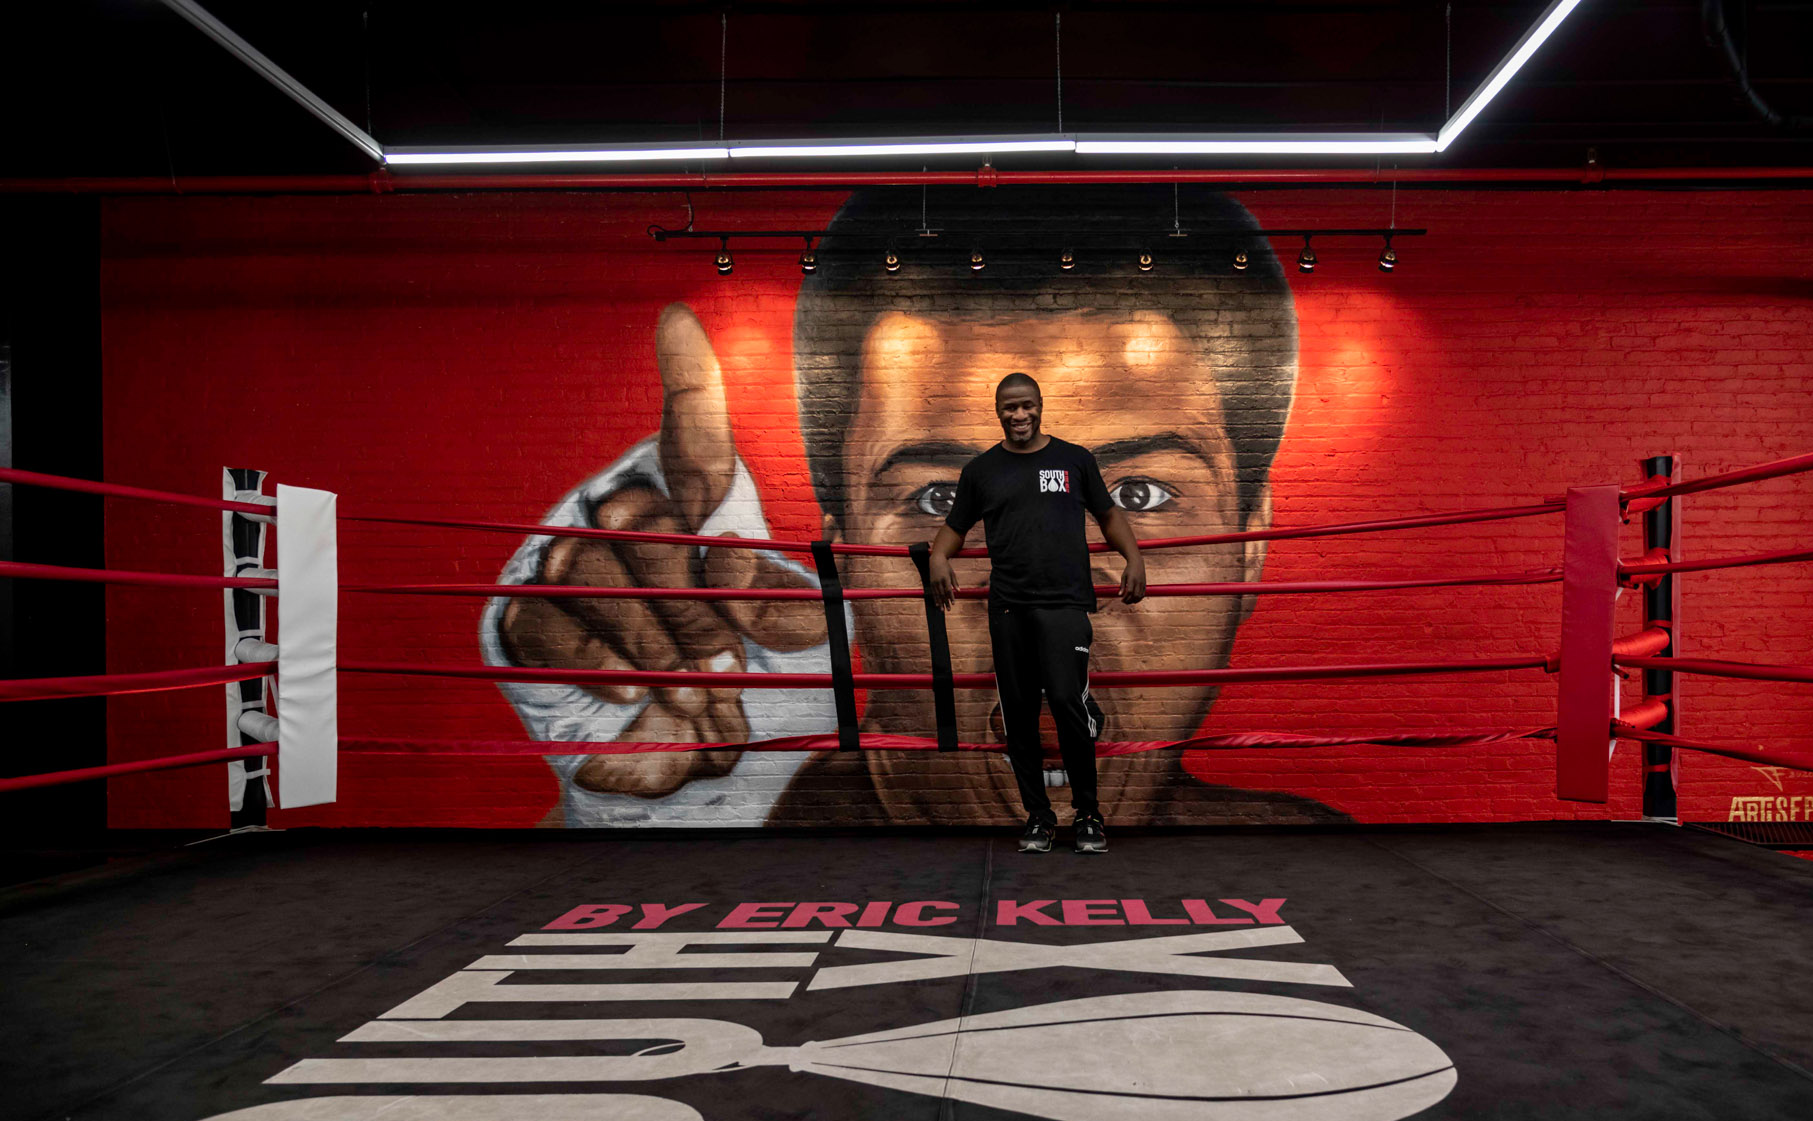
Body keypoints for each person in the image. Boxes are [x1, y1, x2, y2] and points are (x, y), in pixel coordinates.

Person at [485, 185, 1344, 829]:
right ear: (845, 547)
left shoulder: (1311, 851)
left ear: (1251, 542)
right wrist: (677, 794)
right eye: (925, 492)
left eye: (1148, 491)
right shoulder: (774, 815)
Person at [925, 372, 1145, 852]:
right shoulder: (981, 471)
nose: (1018, 415)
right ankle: (1039, 817)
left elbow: (1109, 515)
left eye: (1026, 406)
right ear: (998, 411)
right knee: (1019, 713)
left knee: (1068, 701)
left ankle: (1087, 814)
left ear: (1040, 406)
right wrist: (939, 557)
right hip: (1008, 609)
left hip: (1065, 603)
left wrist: (1134, 557)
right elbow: (955, 527)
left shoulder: (1073, 460)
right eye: (1009, 408)